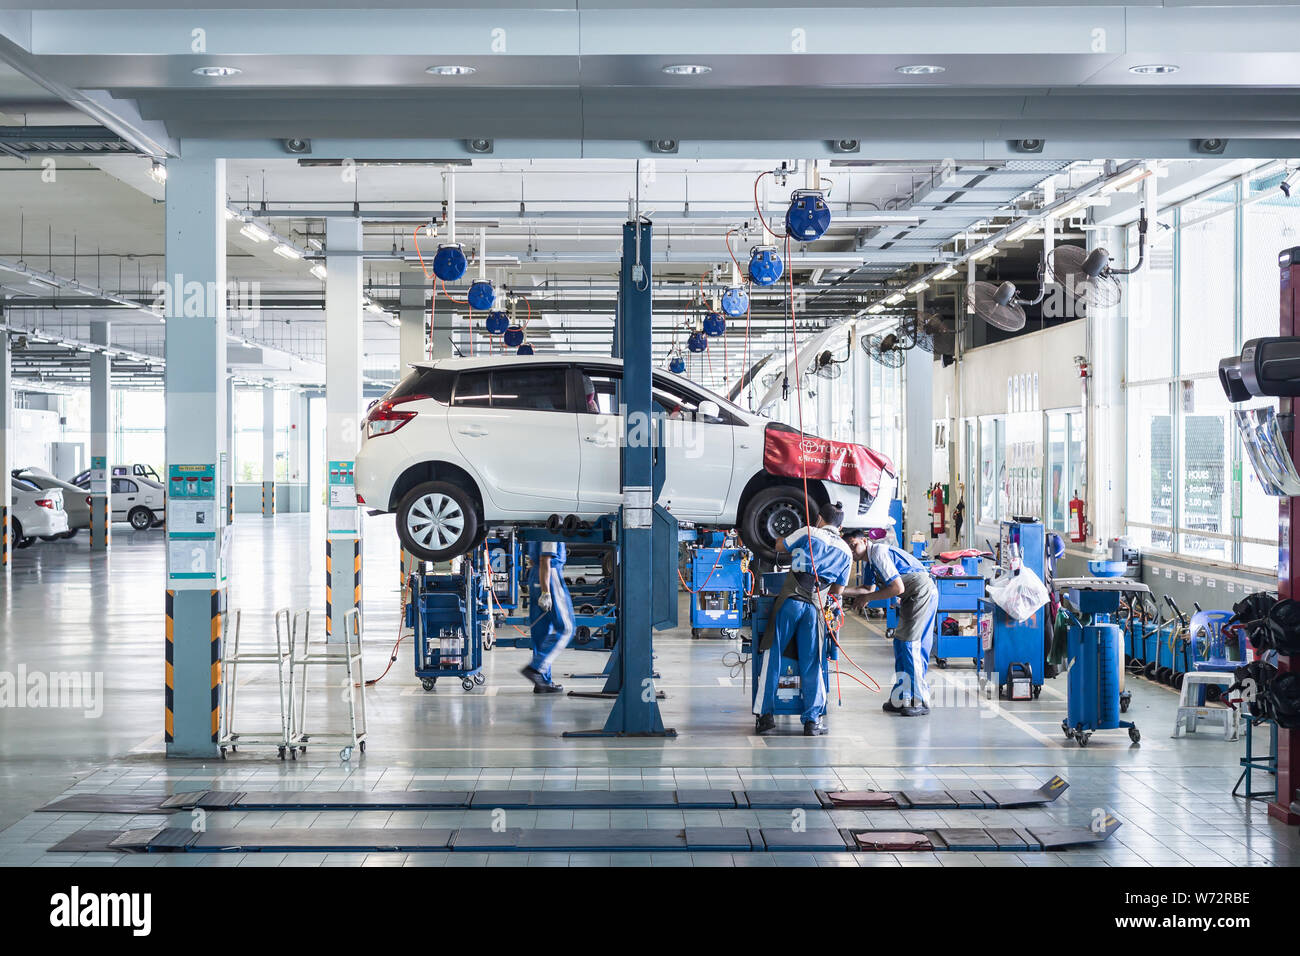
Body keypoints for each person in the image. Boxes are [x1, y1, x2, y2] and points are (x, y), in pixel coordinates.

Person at [753, 501, 854, 736]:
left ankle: (765, 718)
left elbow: (779, 545)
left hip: (790, 602)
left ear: (819, 518)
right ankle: (812, 721)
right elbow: (838, 591)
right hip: (815, 610)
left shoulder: (809, 531)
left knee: (772, 656)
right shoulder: (846, 551)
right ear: (840, 527)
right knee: (813, 662)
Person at [842, 528, 939, 716]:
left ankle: (920, 700)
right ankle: (901, 697)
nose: (852, 551)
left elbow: (897, 587)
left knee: (911, 645)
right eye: (848, 549)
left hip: (922, 593)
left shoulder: (878, 552)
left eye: (853, 545)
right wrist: (837, 590)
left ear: (864, 541)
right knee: (900, 643)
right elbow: (865, 589)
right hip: (911, 596)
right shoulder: (868, 564)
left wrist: (868, 598)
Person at [520, 539, 574, 693]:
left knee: (541, 632)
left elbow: (532, 558)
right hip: (549, 575)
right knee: (566, 628)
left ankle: (542, 682)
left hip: (535, 575)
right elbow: (546, 559)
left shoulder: (535, 526)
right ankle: (536, 668)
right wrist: (546, 592)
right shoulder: (551, 529)